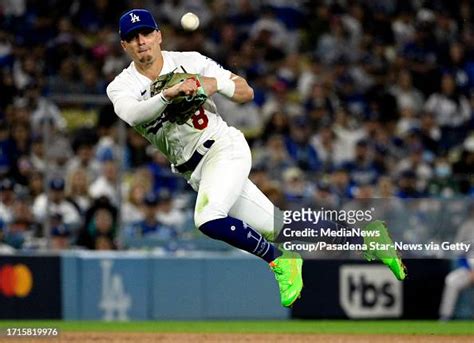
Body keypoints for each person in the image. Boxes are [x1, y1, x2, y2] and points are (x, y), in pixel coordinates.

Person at [106, 9, 405, 307]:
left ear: (158, 35)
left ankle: (280, 261)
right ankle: (367, 239)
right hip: (195, 171)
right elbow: (133, 114)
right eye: (132, 38)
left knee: (207, 218)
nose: (141, 41)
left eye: (146, 33)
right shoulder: (121, 85)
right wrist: (168, 95)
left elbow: (245, 91)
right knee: (279, 227)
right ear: (124, 46)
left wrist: (213, 83)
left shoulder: (191, 61)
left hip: (223, 149)